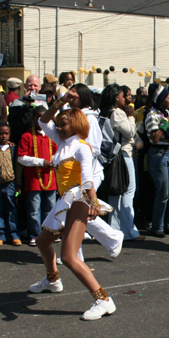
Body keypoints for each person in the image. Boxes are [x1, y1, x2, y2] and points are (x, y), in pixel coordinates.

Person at [27, 96, 116, 321]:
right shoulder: (62, 141)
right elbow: (43, 121)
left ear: (75, 124)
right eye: (58, 124)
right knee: (43, 241)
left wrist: (93, 202)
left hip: (78, 200)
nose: (58, 127)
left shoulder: (82, 147)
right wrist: (60, 102)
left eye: (63, 123)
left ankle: (103, 300)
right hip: (64, 200)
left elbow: (87, 177)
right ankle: (52, 280)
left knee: (68, 256)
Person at [71, 83, 124, 258]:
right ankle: (110, 239)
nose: (70, 98)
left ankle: (110, 238)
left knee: (77, 211)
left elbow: (94, 149)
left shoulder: (90, 119)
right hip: (74, 173)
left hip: (90, 173)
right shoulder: (72, 116)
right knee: (75, 211)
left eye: (74, 95)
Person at [105, 84, 142, 241]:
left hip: (115, 155)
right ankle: (129, 230)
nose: (127, 99)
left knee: (116, 192)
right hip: (124, 154)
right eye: (123, 96)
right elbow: (130, 132)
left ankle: (114, 229)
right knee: (128, 191)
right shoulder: (118, 113)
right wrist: (131, 116)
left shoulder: (109, 112)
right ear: (116, 98)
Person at [18, 105, 58, 246]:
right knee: (34, 209)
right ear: (33, 118)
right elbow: (21, 158)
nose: (41, 120)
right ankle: (35, 235)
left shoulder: (52, 135)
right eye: (39, 117)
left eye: (44, 117)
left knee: (50, 208)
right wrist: (40, 162)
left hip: (50, 177)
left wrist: (54, 161)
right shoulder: (27, 135)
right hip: (34, 178)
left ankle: (50, 233)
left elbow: (58, 152)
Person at [145, 85, 169, 238]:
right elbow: (155, 137)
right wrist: (166, 122)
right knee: (163, 192)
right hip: (158, 154)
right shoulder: (152, 115)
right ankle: (157, 226)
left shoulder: (166, 114)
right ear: (159, 99)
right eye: (167, 97)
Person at [0, 123, 21, 247]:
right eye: (1, 133)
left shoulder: (13, 148)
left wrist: (18, 184)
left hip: (10, 184)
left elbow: (17, 167)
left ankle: (14, 234)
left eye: (6, 133)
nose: (4, 136)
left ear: (10, 134)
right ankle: (0, 234)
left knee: (12, 210)